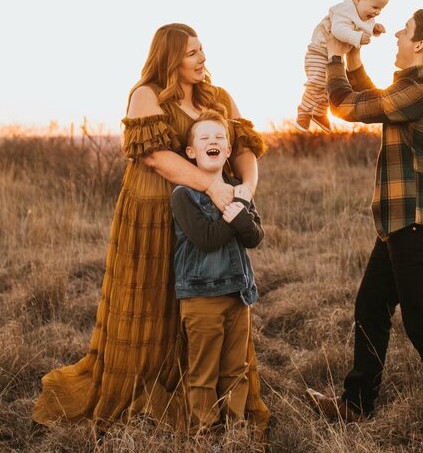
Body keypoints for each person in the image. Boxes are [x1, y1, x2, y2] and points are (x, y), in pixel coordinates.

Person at [32, 24, 270, 432]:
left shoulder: (219, 98)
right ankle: (151, 388)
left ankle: (212, 394)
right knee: (153, 303)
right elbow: (157, 157)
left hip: (211, 212)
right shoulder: (145, 95)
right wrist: (213, 185)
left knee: (206, 302)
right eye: (192, 53)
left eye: (202, 51)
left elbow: (244, 150)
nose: (202, 59)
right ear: (169, 56)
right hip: (153, 214)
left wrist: (244, 189)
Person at [305, 9, 423, 446]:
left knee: (422, 321)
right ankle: (356, 406)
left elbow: (350, 106)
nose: (396, 33)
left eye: (406, 30)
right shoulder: (421, 86)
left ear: (420, 46)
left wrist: (336, 57)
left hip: (419, 222)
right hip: (402, 220)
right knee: (371, 306)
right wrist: (355, 62)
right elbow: (378, 100)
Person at [171, 110, 265, 433]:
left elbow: (255, 236)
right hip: (201, 300)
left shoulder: (240, 189)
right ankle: (205, 430)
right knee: (203, 372)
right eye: (204, 138)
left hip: (239, 296)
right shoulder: (183, 195)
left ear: (227, 151)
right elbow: (206, 239)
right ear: (191, 152)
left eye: (219, 138)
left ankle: (235, 428)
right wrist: (236, 217)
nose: (213, 141)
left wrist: (241, 212)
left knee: (236, 369)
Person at [297, 0, 388, 131]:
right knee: (317, 82)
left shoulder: (364, 14)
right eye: (374, 7)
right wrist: (357, 37)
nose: (377, 12)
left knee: (329, 86)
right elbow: (338, 30)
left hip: (333, 54)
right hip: (319, 51)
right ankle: (303, 112)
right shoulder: (345, 9)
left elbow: (366, 26)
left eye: (380, 9)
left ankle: (319, 113)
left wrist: (374, 30)